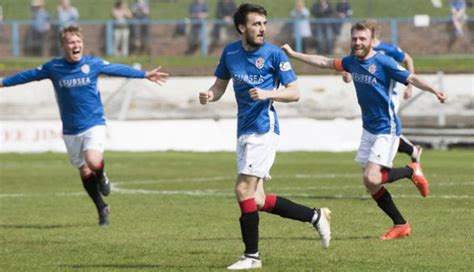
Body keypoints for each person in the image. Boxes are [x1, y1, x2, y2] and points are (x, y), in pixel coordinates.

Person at [281, 20, 447, 240]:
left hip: (386, 129)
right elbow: (324, 62)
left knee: (372, 177)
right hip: (368, 128)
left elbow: (412, 77)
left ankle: (410, 170)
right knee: (370, 183)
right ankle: (400, 224)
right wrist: (294, 54)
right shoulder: (351, 62)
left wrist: (434, 90)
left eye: (362, 39)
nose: (358, 42)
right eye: (355, 38)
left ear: (371, 41)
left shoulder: (384, 61)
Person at [199, 4, 331, 270]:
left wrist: (268, 93)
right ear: (241, 27)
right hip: (244, 130)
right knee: (257, 199)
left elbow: (294, 92)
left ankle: (252, 257)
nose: (261, 29)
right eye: (256, 24)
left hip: (264, 128)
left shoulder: (273, 54)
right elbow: (219, 86)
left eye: (263, 23)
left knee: (242, 189)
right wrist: (209, 95)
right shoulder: (230, 53)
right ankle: (315, 216)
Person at [0, 25, 169, 226]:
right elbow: (27, 76)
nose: (76, 45)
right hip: (71, 129)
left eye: (78, 41)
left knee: (93, 159)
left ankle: (102, 174)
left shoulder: (92, 64)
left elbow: (116, 68)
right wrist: (3, 82)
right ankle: (102, 208)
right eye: (71, 42)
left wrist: (144, 74)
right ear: (63, 45)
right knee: (83, 170)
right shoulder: (53, 68)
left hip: (94, 122)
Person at [341, 20, 422, 164]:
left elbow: (407, 59)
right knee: (380, 129)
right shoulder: (358, 48)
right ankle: (411, 150)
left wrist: (409, 86)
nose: (358, 40)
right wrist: (346, 74)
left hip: (390, 96)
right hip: (371, 95)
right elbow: (348, 66)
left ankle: (403, 155)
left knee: (386, 128)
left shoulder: (388, 49)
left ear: (373, 33)